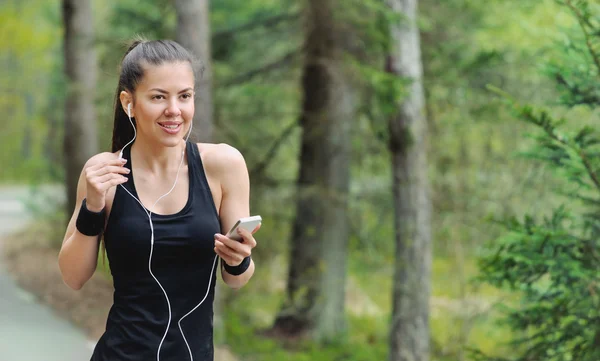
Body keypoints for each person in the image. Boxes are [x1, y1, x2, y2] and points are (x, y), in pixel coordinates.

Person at [58, 38, 259, 361]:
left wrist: (238, 260)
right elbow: (73, 277)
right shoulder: (103, 174)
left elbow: (237, 280)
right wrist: (92, 207)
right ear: (129, 103)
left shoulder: (223, 165)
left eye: (185, 96)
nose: (174, 110)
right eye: (158, 97)